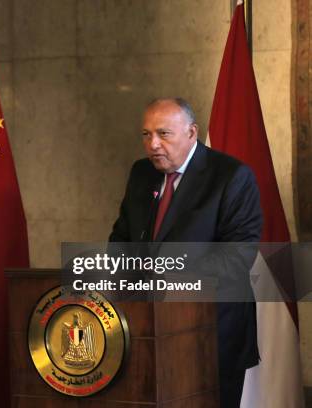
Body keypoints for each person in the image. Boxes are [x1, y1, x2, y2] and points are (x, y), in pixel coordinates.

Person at [110, 98, 262, 407]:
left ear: (192, 133)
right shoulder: (141, 173)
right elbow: (121, 238)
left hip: (212, 331)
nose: (153, 144)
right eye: (146, 134)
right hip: (147, 327)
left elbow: (237, 256)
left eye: (163, 133)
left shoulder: (231, 176)